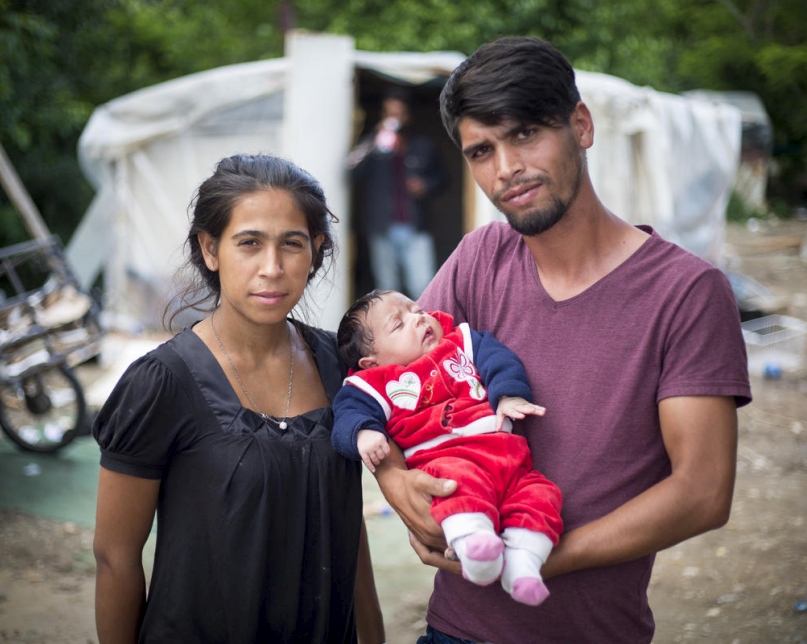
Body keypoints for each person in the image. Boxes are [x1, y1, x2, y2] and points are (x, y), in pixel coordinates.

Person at [372, 37, 753, 643]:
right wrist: (397, 484)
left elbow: (703, 491)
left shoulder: (686, 292)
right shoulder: (479, 259)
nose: (506, 169)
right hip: (455, 629)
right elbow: (386, 381)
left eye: (524, 134)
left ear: (581, 125)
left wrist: (546, 556)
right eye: (481, 150)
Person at [91, 154, 385, 643]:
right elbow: (115, 558)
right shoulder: (162, 383)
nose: (271, 268)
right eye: (249, 243)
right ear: (210, 249)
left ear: (315, 250)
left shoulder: (342, 366)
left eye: (291, 244)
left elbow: (347, 527)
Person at [331, 290, 563, 606]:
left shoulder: (461, 341)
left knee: (541, 494)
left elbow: (499, 360)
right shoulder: (373, 383)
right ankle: (476, 549)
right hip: (447, 459)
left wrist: (508, 395)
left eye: (417, 309)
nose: (418, 318)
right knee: (455, 489)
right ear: (371, 362)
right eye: (399, 324)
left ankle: (524, 565)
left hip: (508, 457)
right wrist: (364, 434)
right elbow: (346, 415)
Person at [348, 88, 446, 298]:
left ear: (407, 116)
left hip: (415, 226)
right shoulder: (374, 146)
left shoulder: (422, 146)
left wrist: (425, 185)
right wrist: (374, 138)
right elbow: (352, 172)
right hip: (381, 226)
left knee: (423, 285)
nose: (394, 119)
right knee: (387, 288)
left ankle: (426, 329)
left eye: (398, 114)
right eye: (389, 114)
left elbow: (443, 180)